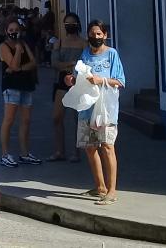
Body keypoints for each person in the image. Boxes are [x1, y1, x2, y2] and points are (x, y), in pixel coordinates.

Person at [65, 20, 125, 206]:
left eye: (99, 34)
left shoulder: (112, 54)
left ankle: (112, 190)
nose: (96, 37)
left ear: (105, 35)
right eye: (93, 34)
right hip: (87, 109)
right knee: (90, 148)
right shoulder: (85, 54)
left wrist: (101, 80)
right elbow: (80, 76)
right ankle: (99, 186)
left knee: (107, 146)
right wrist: (72, 80)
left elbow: (120, 81)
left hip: (106, 109)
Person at [0, 19, 40, 167]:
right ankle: (5, 154)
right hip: (11, 86)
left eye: (16, 29)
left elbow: (33, 62)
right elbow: (13, 65)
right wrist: (17, 51)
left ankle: (24, 153)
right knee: (9, 119)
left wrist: (21, 68)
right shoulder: (4, 46)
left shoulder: (24, 44)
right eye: (11, 30)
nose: (14, 32)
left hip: (26, 85)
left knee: (26, 120)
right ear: (6, 31)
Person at [49, 12, 86, 162]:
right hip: (61, 83)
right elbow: (55, 63)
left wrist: (70, 65)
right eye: (67, 24)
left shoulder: (84, 43)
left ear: (77, 25)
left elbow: (84, 64)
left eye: (72, 23)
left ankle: (76, 153)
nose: (69, 26)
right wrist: (71, 63)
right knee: (57, 117)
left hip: (79, 84)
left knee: (77, 119)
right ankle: (59, 151)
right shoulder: (60, 42)